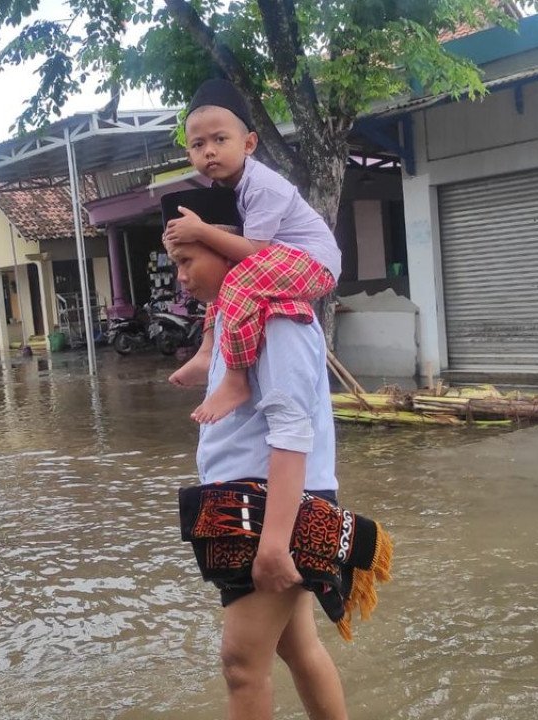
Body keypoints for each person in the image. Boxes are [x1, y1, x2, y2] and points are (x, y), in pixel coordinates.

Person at [166, 235, 350, 720]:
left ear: (229, 252)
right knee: (298, 649)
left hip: (271, 507)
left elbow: (292, 432)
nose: (180, 277)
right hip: (251, 502)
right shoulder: (234, 316)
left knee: (241, 665)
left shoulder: (278, 317)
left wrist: (274, 544)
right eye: (175, 264)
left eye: (187, 260)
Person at [163, 78, 342, 425]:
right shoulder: (225, 188)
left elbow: (253, 250)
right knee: (224, 279)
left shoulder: (263, 186)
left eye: (220, 139)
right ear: (189, 154)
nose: (209, 151)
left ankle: (235, 379)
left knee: (239, 279)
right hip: (278, 259)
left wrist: (200, 230)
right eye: (198, 144)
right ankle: (205, 351)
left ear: (249, 144)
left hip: (313, 262)